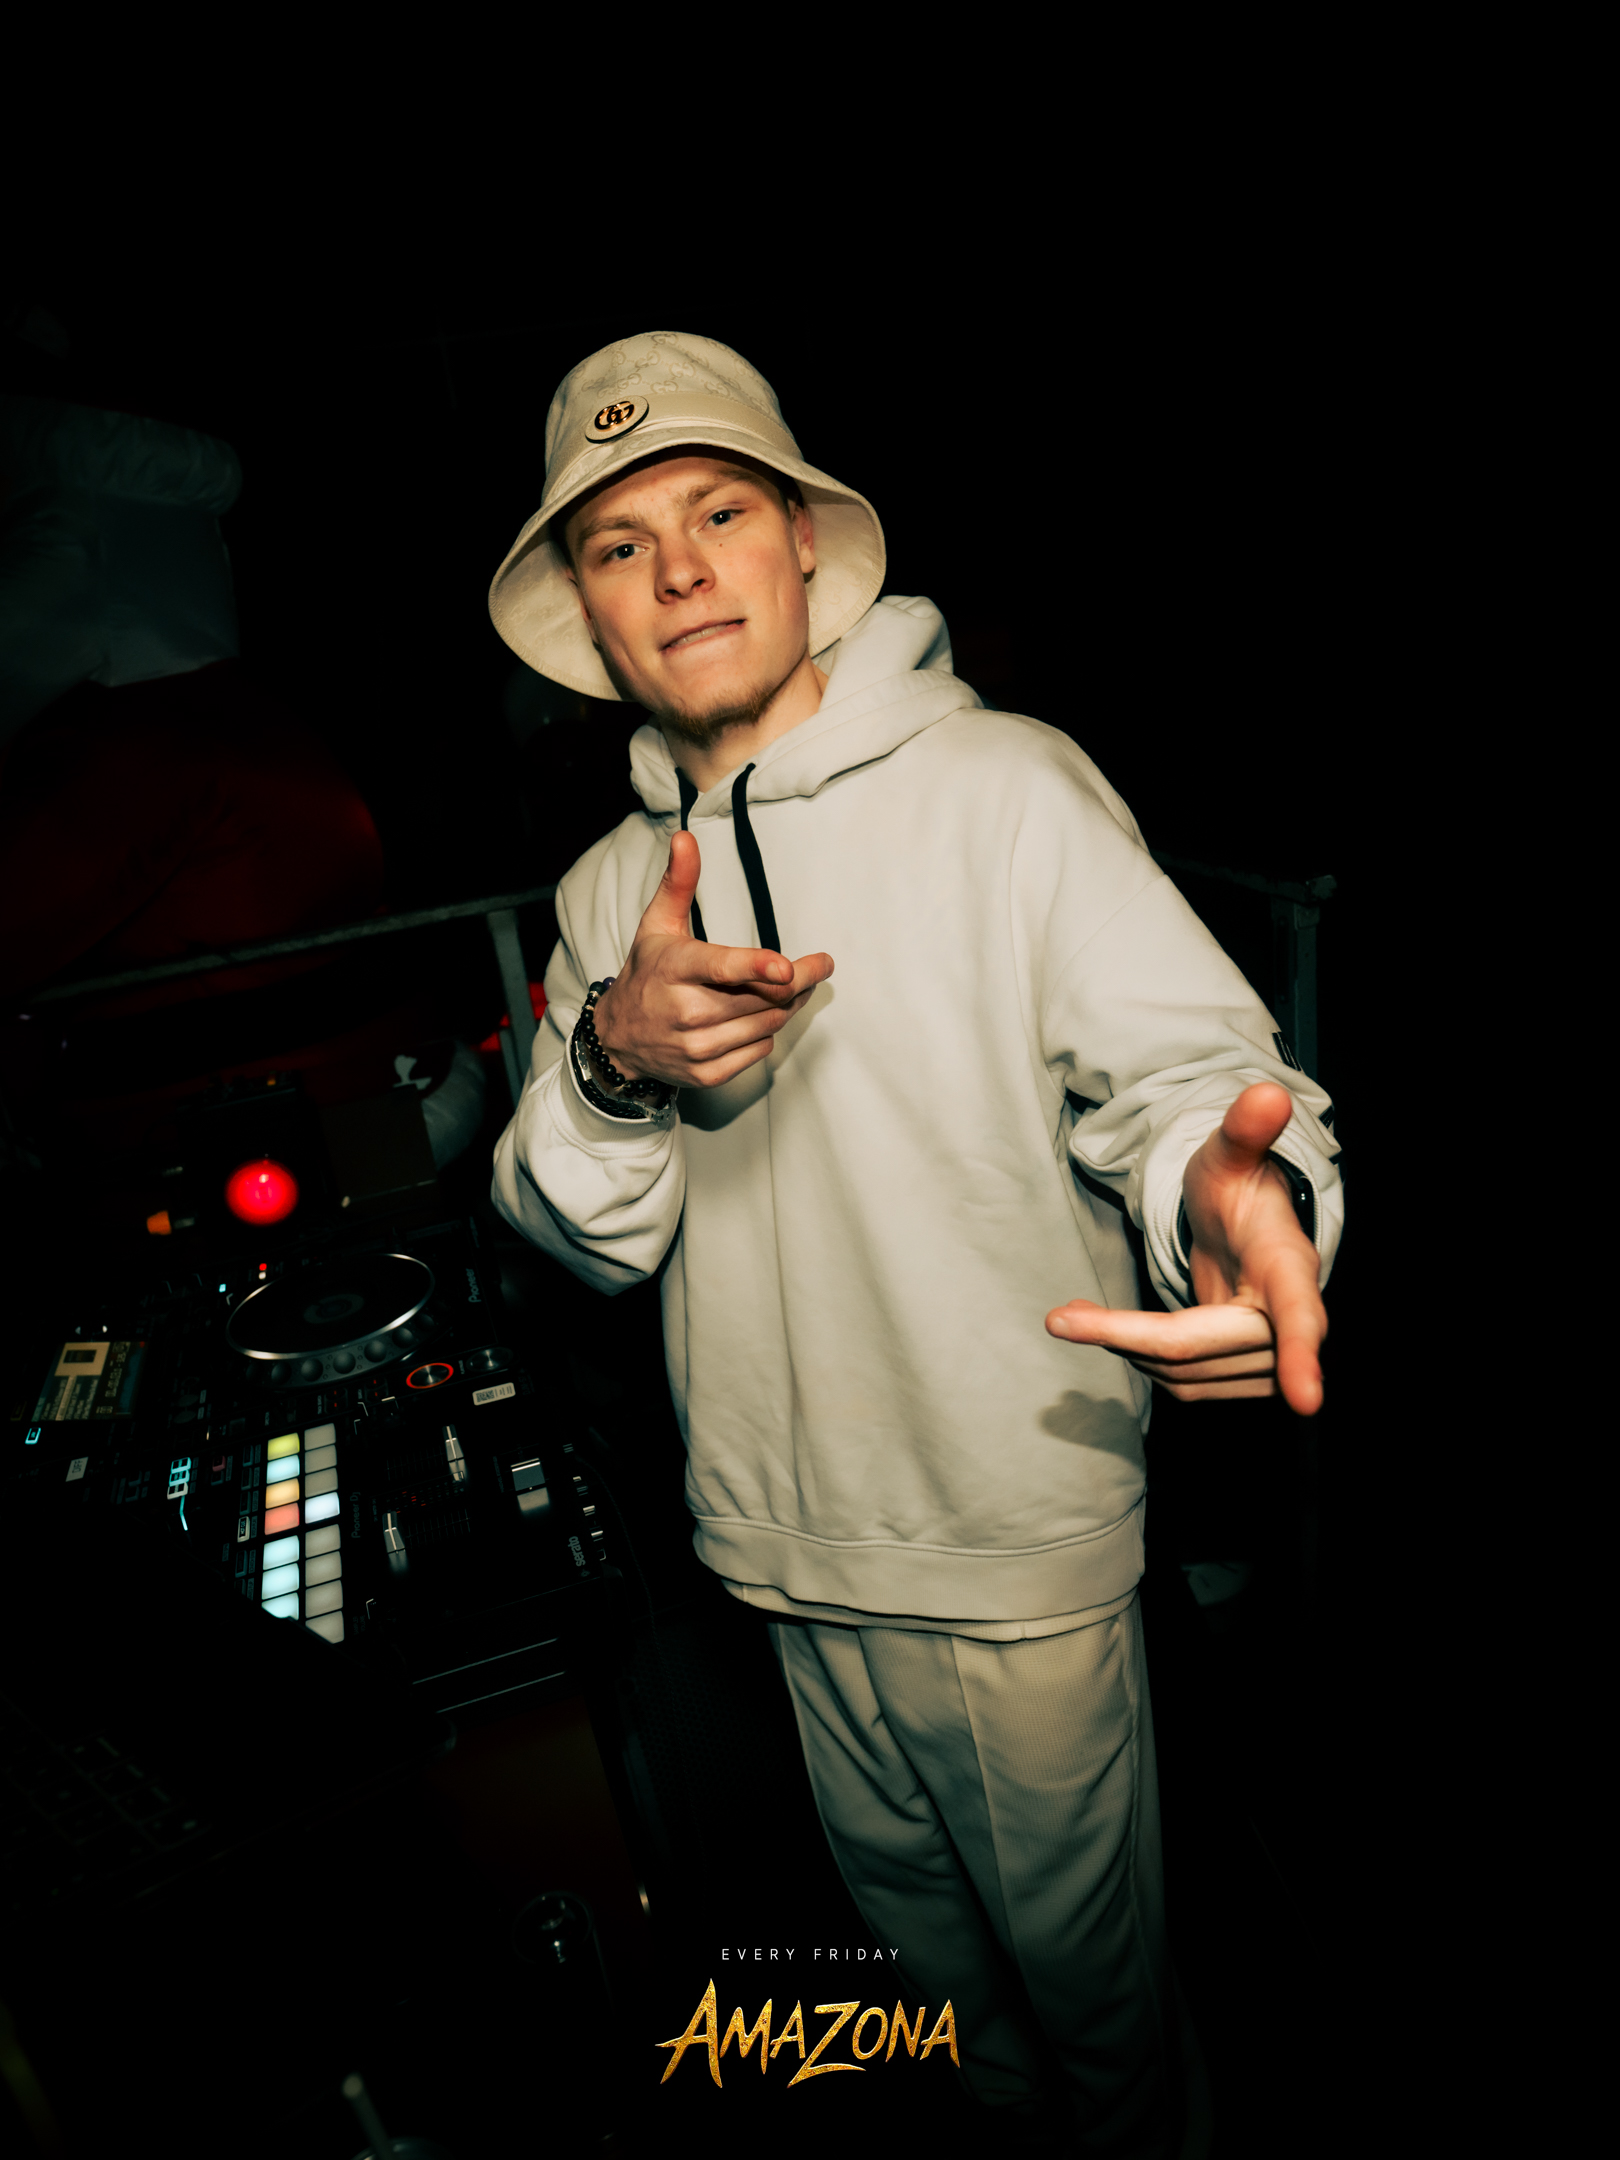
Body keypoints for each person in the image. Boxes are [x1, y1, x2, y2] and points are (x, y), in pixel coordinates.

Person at [488, 333, 1342, 2156]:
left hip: (1010, 1541)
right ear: (590, 609)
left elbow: (1187, 1072)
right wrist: (615, 1060)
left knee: (1105, 2022)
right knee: (943, 2003)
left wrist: (1235, 1193)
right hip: (779, 1552)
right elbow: (581, 1234)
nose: (681, 570)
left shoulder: (1004, 786)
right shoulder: (601, 893)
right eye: (623, 545)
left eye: (721, 513)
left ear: (805, 542)